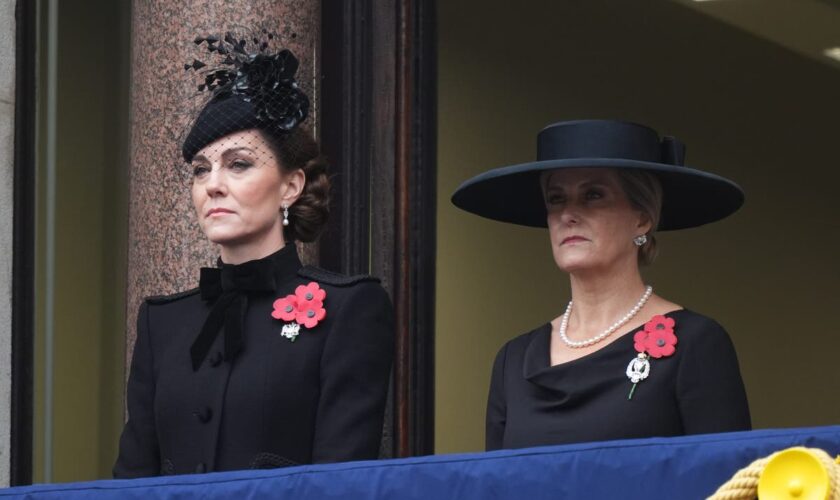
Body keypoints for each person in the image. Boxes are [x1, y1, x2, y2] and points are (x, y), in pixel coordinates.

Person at [114, 35, 394, 477]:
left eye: (238, 164)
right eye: (202, 170)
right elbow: (131, 479)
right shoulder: (161, 323)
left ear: (291, 186)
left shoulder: (350, 310)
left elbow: (341, 482)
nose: (213, 185)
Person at [451, 119, 751, 450]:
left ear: (642, 218)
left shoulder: (696, 343)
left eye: (593, 195)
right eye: (555, 198)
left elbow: (726, 486)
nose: (568, 214)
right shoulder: (514, 359)